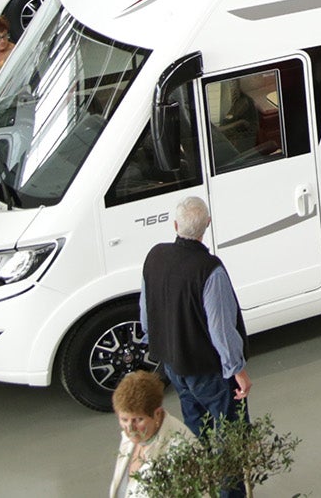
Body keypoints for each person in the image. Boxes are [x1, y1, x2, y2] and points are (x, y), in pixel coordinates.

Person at [139, 196, 250, 497]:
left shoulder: (155, 256)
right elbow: (221, 328)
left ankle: (202, 488)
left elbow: (146, 311)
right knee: (230, 436)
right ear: (208, 226)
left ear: (175, 225)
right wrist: (237, 370)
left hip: (174, 366)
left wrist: (159, 344)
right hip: (209, 371)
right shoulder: (209, 269)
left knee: (193, 429)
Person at [110, 370, 195, 498]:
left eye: (138, 420)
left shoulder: (181, 452)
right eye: (124, 420)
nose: (130, 429)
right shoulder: (134, 437)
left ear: (157, 413)